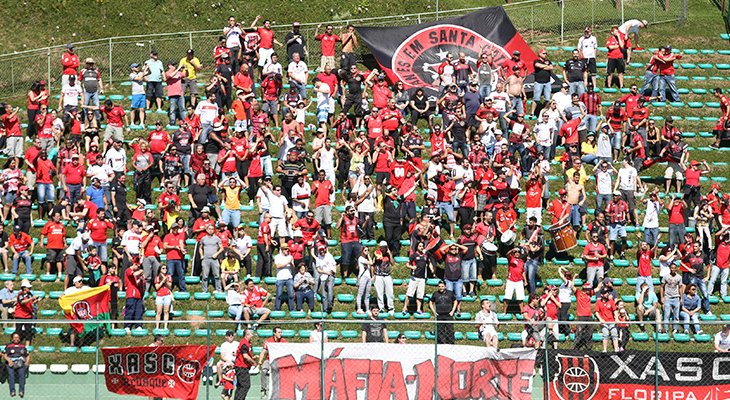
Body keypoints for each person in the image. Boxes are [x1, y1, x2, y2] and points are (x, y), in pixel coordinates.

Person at [402, 242, 434, 316]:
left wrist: (432, 269)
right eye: (420, 246)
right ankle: (405, 308)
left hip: (422, 278)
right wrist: (411, 267)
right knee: (409, 294)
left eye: (422, 246)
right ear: (417, 247)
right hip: (414, 277)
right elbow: (407, 264)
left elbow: (429, 263)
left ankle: (418, 309)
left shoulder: (425, 256)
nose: (421, 247)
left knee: (420, 295)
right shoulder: (413, 255)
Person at [257, 326, 288, 398]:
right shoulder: (268, 341)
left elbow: (288, 350)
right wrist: (259, 362)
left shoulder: (284, 341)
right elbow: (263, 352)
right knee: (264, 371)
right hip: (269, 360)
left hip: (278, 360)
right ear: (274, 333)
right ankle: (263, 390)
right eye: (279, 332)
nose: (281, 334)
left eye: (281, 332)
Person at [430, 280, 457, 344]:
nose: (441, 288)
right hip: (439, 315)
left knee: (450, 330)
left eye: (442, 286)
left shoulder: (450, 293)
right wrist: (434, 312)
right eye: (439, 286)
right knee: (440, 331)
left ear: (445, 286)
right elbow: (431, 302)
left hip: (448, 315)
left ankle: (451, 344)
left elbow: (455, 301)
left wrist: (452, 311)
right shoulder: (435, 294)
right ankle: (442, 344)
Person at [3, 332, 30, 398]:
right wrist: (9, 361)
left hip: (20, 363)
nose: (16, 339)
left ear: (19, 338)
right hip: (11, 362)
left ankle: (21, 391)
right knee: (11, 376)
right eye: (14, 337)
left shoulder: (22, 346)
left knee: (22, 375)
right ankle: (12, 391)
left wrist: (27, 362)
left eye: (17, 337)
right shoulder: (9, 346)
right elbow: (5, 355)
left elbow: (27, 355)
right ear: (12, 338)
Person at [199, 224, 224, 293]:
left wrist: (216, 254)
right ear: (207, 230)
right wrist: (202, 255)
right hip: (206, 259)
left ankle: (219, 289)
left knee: (216, 275)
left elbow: (221, 248)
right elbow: (200, 248)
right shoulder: (203, 238)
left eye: (212, 229)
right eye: (209, 229)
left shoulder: (217, 238)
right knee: (205, 276)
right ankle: (204, 290)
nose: (210, 230)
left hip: (214, 259)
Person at [314, 244, 337, 313]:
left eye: (323, 250)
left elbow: (334, 264)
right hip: (323, 276)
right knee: (324, 294)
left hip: (330, 275)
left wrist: (334, 271)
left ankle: (330, 304)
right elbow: (318, 269)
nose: (322, 252)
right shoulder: (318, 259)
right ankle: (325, 308)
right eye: (320, 250)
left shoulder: (329, 256)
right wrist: (325, 272)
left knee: (330, 289)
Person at [595, 287, 620, 352]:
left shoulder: (611, 301)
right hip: (604, 322)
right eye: (605, 293)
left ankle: (616, 349)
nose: (607, 294)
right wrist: (600, 319)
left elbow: (614, 310)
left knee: (615, 334)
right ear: (602, 295)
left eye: (607, 293)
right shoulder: (598, 302)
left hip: (611, 321)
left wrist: (616, 318)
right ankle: (605, 350)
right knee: (605, 334)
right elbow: (596, 312)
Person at [234, 328, 255, 400]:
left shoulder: (245, 343)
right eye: (251, 334)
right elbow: (245, 356)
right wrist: (253, 362)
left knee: (240, 386)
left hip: (240, 367)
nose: (252, 335)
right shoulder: (244, 344)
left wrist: (252, 358)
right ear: (246, 335)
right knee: (245, 386)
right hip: (242, 367)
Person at [661, 264, 683, 334]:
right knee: (666, 314)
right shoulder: (665, 277)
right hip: (668, 297)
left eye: (675, 268)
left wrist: (681, 298)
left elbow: (680, 288)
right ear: (670, 268)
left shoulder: (679, 277)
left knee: (676, 315)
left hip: (676, 297)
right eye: (672, 268)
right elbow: (662, 287)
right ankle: (665, 329)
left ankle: (675, 329)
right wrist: (662, 297)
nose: (673, 269)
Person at [124, 260, 145, 331]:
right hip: (131, 294)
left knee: (138, 310)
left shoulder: (135, 274)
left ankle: (138, 325)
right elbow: (133, 274)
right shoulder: (128, 270)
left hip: (137, 294)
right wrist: (140, 271)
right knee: (130, 310)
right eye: (137, 266)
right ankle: (127, 326)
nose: (138, 268)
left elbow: (135, 281)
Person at [273, 244, 295, 311]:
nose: (287, 250)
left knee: (291, 295)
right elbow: (278, 266)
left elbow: (293, 268)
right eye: (285, 249)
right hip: (280, 278)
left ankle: (292, 309)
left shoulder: (290, 257)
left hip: (289, 278)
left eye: (287, 249)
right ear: (282, 249)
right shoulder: (277, 257)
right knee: (279, 295)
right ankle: (276, 309)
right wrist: (287, 263)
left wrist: (291, 263)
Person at [572, 282, 594, 351]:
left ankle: (588, 349)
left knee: (589, 333)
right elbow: (572, 286)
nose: (590, 291)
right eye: (589, 289)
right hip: (581, 316)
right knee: (579, 333)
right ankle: (575, 349)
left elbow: (598, 288)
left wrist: (601, 281)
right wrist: (574, 278)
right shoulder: (578, 293)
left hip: (589, 316)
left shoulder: (590, 294)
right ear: (584, 289)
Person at [154, 264, 173, 330]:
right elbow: (157, 287)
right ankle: (157, 326)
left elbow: (169, 286)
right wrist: (162, 281)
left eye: (166, 268)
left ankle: (165, 326)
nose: (165, 270)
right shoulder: (157, 277)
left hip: (167, 295)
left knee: (166, 311)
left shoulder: (169, 277)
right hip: (159, 295)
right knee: (158, 311)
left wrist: (166, 280)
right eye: (163, 268)